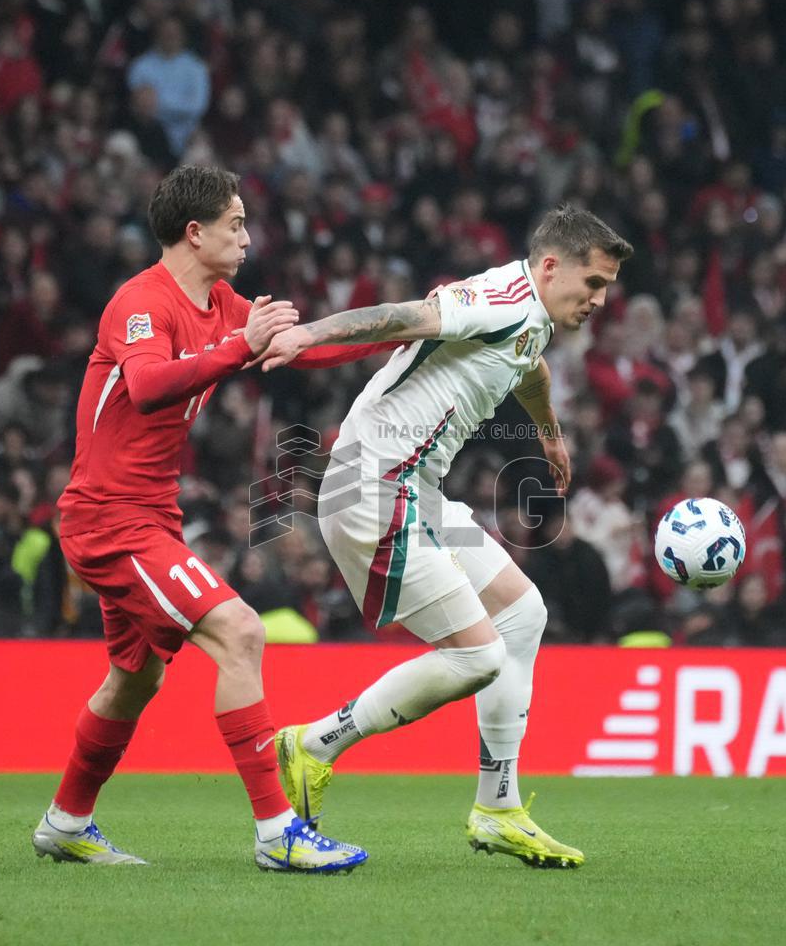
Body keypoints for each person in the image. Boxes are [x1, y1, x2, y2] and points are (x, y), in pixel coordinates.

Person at [261, 205, 633, 868]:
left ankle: (497, 807)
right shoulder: (495, 297)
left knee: (523, 612)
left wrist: (546, 431)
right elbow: (404, 316)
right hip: (370, 488)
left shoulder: (532, 319)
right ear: (550, 267)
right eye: (594, 283)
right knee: (479, 657)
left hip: (413, 491)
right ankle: (313, 745)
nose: (599, 300)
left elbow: (529, 366)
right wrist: (307, 335)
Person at [31, 165, 374, 873]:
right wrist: (238, 346)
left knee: (135, 679)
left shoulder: (221, 304)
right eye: (236, 224)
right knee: (241, 631)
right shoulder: (140, 301)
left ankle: (65, 821)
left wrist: (409, 333)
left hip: (152, 517)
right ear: (196, 232)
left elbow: (295, 343)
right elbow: (150, 384)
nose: (247, 237)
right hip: (108, 519)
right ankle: (278, 832)